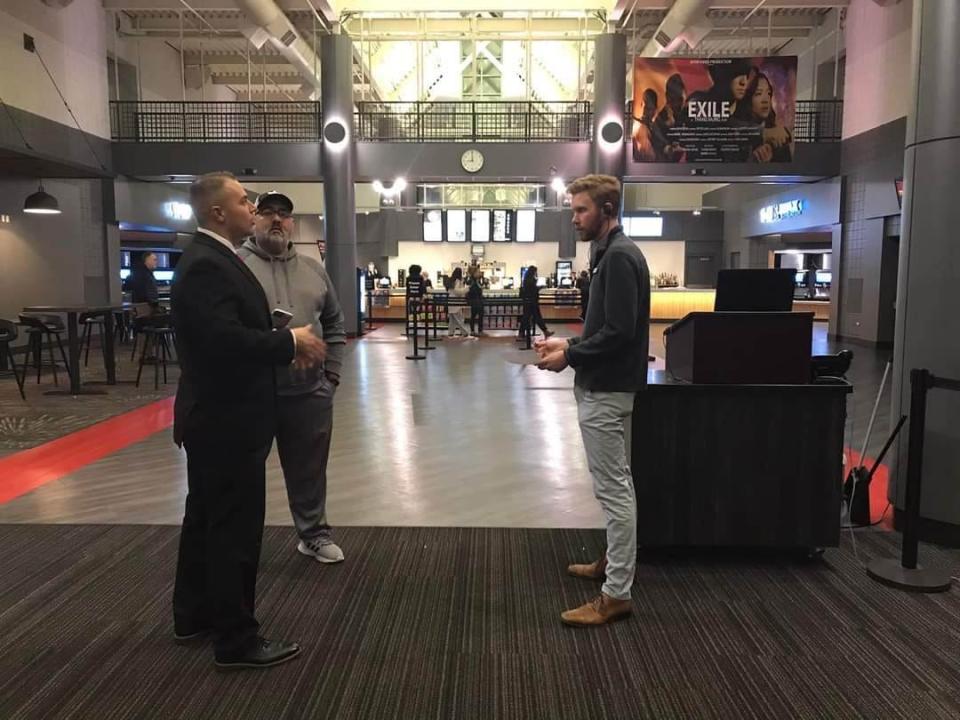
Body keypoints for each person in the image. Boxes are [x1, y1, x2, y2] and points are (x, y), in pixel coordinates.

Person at [171, 172, 327, 670]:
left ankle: (193, 615)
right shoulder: (207, 264)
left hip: (217, 417)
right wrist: (289, 343)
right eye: (244, 201)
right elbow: (222, 342)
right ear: (219, 212)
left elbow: (229, 331)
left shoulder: (214, 259)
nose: (252, 206)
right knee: (233, 530)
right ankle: (236, 640)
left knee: (205, 520)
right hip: (226, 420)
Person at [535, 174, 651, 627]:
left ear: (606, 210)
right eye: (572, 209)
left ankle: (616, 593)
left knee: (613, 489)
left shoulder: (619, 257)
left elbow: (620, 334)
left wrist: (571, 356)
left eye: (581, 210)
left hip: (607, 389)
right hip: (606, 384)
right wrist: (568, 342)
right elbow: (609, 325)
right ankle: (614, 564)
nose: (574, 218)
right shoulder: (609, 254)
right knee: (617, 483)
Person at [238, 190, 347, 565]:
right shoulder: (236, 266)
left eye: (284, 214)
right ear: (254, 218)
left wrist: (330, 375)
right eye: (267, 212)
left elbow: (334, 323)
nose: (276, 219)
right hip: (253, 393)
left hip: (309, 392)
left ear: (292, 222)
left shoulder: (313, 269)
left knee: (309, 468)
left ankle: (313, 534)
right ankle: (240, 541)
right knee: (244, 472)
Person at [732, 70, 794, 162]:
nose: (765, 100)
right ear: (748, 99)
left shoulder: (778, 139)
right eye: (758, 94)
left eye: (768, 93)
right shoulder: (736, 132)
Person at [653, 74, 686, 162]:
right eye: (673, 99)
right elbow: (658, 146)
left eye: (680, 99)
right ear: (667, 96)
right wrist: (669, 149)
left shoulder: (686, 114)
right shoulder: (659, 120)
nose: (678, 104)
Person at [518, 266, 553, 340]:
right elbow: (533, 289)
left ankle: (521, 334)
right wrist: (540, 287)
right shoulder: (532, 279)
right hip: (532, 302)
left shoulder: (526, 279)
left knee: (527, 317)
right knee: (535, 317)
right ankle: (545, 331)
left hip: (528, 302)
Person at [443, 267, 474, 339]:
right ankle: (465, 334)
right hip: (456, 301)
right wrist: (467, 289)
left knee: (452, 320)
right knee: (460, 319)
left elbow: (451, 291)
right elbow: (457, 291)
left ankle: (451, 334)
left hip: (451, 301)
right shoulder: (458, 281)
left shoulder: (451, 280)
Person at [631, 88, 658, 162]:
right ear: (641, 105)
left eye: (649, 109)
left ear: (655, 110)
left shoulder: (655, 127)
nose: (645, 111)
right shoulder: (638, 127)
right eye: (644, 106)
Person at [466, 266, 485, 336]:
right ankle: (474, 330)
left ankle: (478, 330)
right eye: (478, 272)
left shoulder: (477, 280)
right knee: (474, 316)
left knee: (478, 316)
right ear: (473, 273)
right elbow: (471, 291)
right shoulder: (471, 281)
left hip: (478, 300)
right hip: (475, 301)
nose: (479, 273)